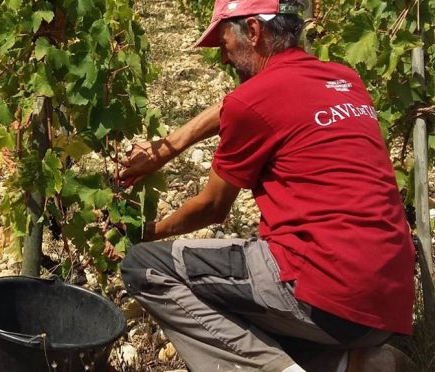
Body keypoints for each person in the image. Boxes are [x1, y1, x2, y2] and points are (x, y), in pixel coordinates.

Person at [119, 0, 416, 371]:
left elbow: (213, 208)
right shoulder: (345, 80)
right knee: (250, 308)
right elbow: (244, 102)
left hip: (327, 295)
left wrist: (143, 234)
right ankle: (361, 364)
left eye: (225, 44)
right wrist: (171, 146)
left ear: (255, 32)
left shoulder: (253, 100)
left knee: (146, 267)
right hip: (387, 303)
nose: (224, 60)